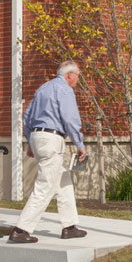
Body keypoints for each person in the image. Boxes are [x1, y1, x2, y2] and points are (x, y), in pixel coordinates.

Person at [10, 59, 88, 242]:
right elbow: (70, 119)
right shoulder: (65, 90)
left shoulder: (44, 88)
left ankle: (69, 226)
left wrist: (30, 141)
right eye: (78, 75)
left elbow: (27, 116)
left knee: (63, 182)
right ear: (69, 75)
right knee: (45, 185)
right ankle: (21, 230)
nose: (78, 79)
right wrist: (79, 144)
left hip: (38, 137)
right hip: (52, 139)